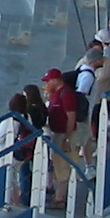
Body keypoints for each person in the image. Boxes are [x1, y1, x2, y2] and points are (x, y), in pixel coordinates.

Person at [42, 68, 77, 210]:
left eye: (49, 80)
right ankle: (55, 192)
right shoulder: (57, 93)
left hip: (63, 135)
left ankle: (60, 199)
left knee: (62, 166)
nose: (48, 83)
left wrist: (67, 139)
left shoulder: (66, 94)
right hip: (57, 133)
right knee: (56, 164)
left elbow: (71, 117)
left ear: (56, 80)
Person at [0, 93, 32, 208]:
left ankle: (10, 202)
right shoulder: (26, 117)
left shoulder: (9, 120)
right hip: (21, 152)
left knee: (8, 179)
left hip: (8, 153)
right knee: (13, 178)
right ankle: (15, 202)